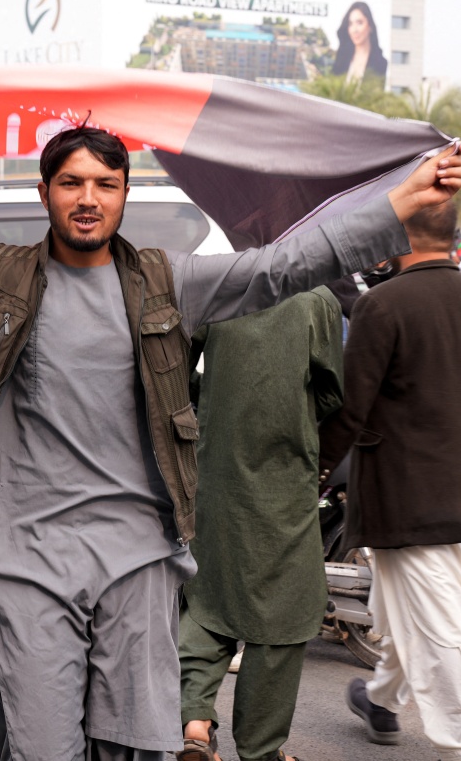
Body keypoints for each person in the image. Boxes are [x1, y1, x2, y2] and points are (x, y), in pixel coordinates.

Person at [0, 124, 461, 760]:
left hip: (138, 560)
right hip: (30, 561)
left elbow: (280, 267)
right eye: (71, 183)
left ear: (125, 195)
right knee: (41, 745)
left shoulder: (168, 282)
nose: (87, 199)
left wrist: (399, 203)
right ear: (44, 191)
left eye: (105, 184)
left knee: (134, 747)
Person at [318, 202, 461, 761]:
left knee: (443, 626)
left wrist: (314, 470)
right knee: (411, 605)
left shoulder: (381, 304)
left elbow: (351, 407)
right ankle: (381, 699)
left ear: (394, 240)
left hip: (402, 498)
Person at [178, 287, 344, 761]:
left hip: (217, 469)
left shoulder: (218, 287)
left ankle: (193, 720)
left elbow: (175, 371)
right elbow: (332, 389)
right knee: (283, 610)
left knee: (211, 596)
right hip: (284, 475)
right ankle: (260, 748)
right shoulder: (317, 299)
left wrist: (213, 403)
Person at [331, 2, 388, 82]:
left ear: (370, 26)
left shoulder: (380, 63)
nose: (354, 30)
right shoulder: (342, 59)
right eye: (350, 24)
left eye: (359, 23)